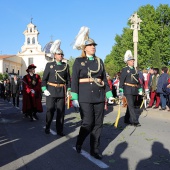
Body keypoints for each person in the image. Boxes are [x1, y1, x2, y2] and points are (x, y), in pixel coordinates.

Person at [71, 26, 114, 160]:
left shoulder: (99, 61)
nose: (93, 47)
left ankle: (94, 149)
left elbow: (104, 80)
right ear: (84, 48)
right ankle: (79, 141)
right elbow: (74, 81)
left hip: (99, 96)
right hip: (84, 96)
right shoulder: (78, 61)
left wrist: (109, 95)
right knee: (88, 123)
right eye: (90, 45)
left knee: (98, 124)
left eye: (94, 45)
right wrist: (74, 97)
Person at [42, 40, 71, 136]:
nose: (61, 56)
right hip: (51, 90)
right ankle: (47, 126)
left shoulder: (65, 66)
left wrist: (69, 90)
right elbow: (44, 79)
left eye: (62, 54)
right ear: (55, 55)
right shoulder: (49, 65)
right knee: (50, 109)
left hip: (61, 91)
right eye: (59, 54)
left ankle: (60, 130)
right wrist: (44, 89)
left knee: (61, 112)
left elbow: (68, 80)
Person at [119, 50, 142, 127]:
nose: (133, 61)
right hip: (128, 89)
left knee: (130, 105)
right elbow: (122, 80)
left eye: (133, 60)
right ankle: (135, 121)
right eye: (131, 60)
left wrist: (140, 88)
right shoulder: (125, 69)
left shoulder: (135, 70)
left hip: (134, 89)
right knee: (131, 105)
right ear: (127, 61)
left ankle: (126, 118)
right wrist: (121, 89)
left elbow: (137, 80)